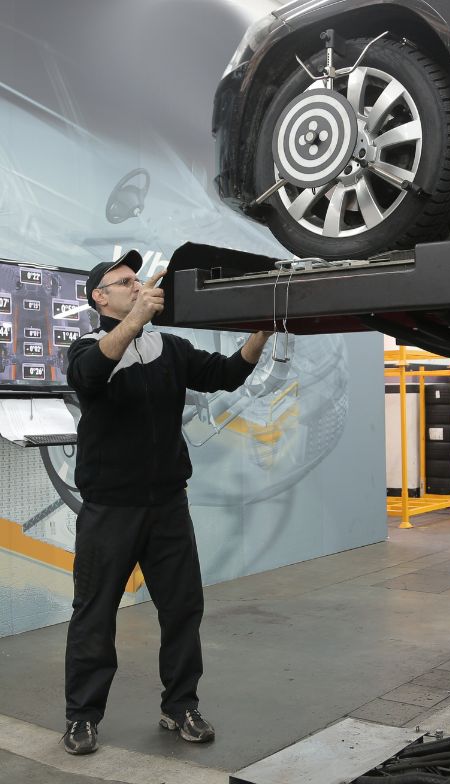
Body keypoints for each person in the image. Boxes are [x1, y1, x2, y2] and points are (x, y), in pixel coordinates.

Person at [62, 249, 272, 755]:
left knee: (182, 610)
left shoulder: (170, 348)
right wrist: (137, 317)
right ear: (100, 297)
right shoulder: (88, 347)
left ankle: (180, 706)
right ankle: (82, 717)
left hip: (168, 507)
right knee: (94, 613)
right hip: (110, 508)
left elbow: (225, 373)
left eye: (138, 279)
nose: (136, 285)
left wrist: (261, 332)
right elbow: (90, 376)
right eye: (124, 281)